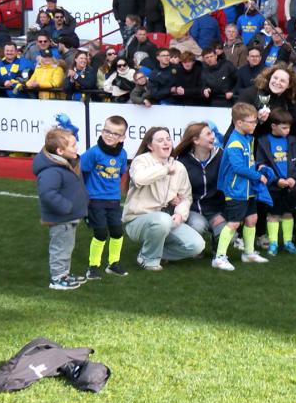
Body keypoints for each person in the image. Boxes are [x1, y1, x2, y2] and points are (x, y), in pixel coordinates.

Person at [122, 127, 206, 271]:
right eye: (160, 140)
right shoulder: (141, 160)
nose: (166, 143)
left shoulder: (178, 167)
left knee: (197, 245)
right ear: (150, 145)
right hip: (137, 220)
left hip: (166, 221)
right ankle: (149, 260)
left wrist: (180, 214)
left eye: (168, 139)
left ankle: (154, 252)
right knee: (162, 220)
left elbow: (186, 197)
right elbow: (139, 178)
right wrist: (165, 170)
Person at [214, 103, 271, 266]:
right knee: (234, 223)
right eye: (252, 122)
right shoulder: (234, 143)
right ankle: (219, 257)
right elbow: (239, 167)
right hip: (236, 190)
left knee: (252, 218)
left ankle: (248, 253)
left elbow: (247, 162)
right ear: (239, 123)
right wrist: (258, 176)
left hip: (247, 189)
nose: (255, 125)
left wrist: (258, 166)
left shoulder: (245, 138)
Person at [34, 127, 89, 290]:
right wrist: (66, 207)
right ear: (60, 151)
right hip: (61, 218)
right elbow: (47, 193)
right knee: (61, 248)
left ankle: (64, 274)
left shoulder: (65, 164)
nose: (77, 148)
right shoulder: (52, 171)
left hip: (67, 217)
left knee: (66, 247)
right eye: (73, 145)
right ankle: (57, 278)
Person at [172, 122, 230, 268]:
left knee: (226, 231)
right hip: (194, 209)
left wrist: (224, 214)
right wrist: (175, 196)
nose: (213, 136)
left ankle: (216, 247)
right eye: (208, 134)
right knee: (197, 225)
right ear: (196, 140)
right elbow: (175, 186)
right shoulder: (182, 161)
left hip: (216, 209)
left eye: (212, 133)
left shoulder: (222, 156)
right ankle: (196, 246)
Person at [81, 116, 129, 280]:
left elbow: (120, 173)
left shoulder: (122, 154)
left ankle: (113, 263)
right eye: (107, 131)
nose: (109, 135)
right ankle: (93, 266)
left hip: (114, 201)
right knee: (100, 233)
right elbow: (81, 170)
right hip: (95, 200)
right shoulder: (93, 152)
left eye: (115, 134)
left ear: (122, 137)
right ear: (102, 131)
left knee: (117, 231)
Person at [256, 109, 296, 257]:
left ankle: (288, 242)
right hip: (274, 187)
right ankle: (273, 243)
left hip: (290, 186)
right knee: (273, 215)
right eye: (284, 127)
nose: (287, 130)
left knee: (288, 214)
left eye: (289, 127)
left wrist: (293, 178)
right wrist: (276, 180)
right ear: (273, 126)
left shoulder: (292, 141)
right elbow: (261, 165)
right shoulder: (263, 142)